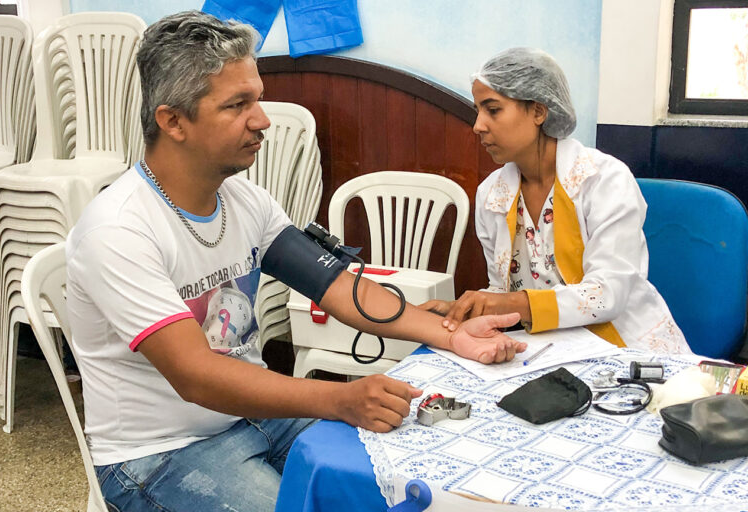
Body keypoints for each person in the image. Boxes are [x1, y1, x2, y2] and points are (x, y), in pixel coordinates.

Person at [65, 11, 526, 512]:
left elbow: (338, 287)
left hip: (256, 416)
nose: (262, 119)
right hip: (161, 454)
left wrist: (448, 335)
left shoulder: (246, 201)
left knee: (409, 479)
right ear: (173, 120)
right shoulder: (118, 229)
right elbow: (196, 375)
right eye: (237, 105)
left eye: (256, 99)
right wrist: (339, 399)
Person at [420, 47, 690, 354]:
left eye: (493, 110)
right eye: (478, 111)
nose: (478, 125)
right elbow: (503, 291)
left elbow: (607, 294)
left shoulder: (603, 180)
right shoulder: (492, 196)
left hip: (628, 350)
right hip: (549, 353)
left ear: (538, 111)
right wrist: (465, 310)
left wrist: (508, 302)